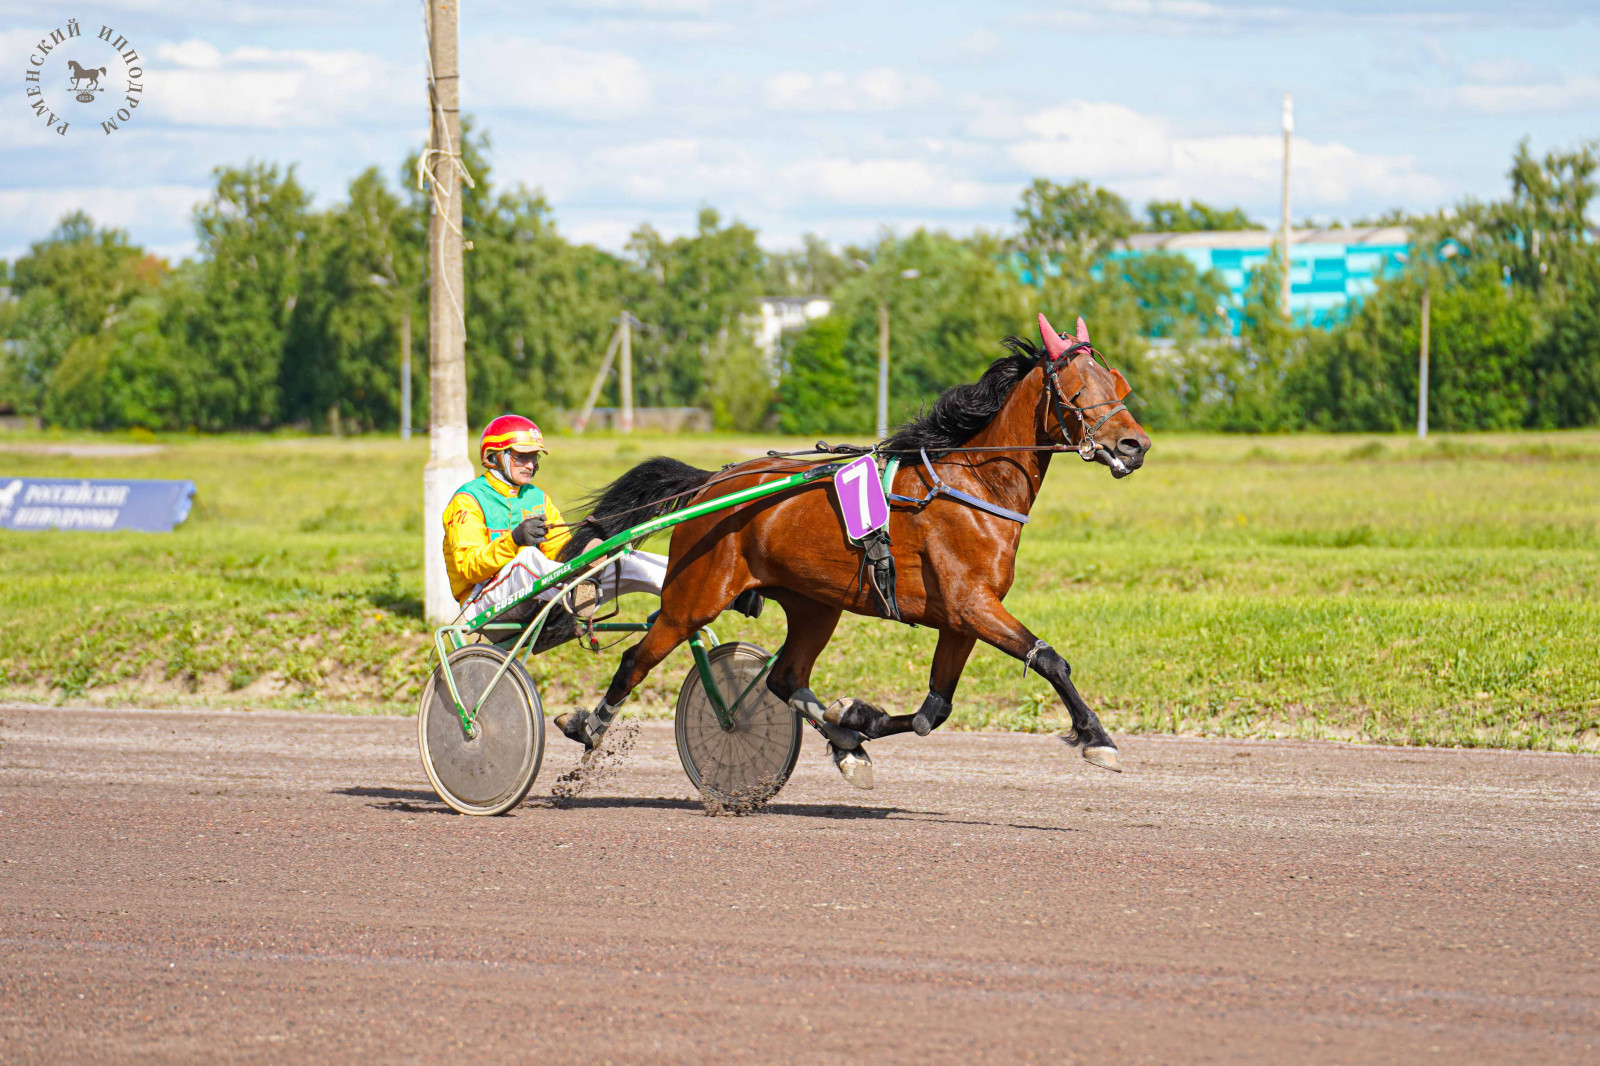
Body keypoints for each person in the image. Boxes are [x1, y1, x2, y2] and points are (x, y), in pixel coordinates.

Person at [442, 414, 667, 625]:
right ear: (494, 457)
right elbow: (469, 568)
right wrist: (514, 541)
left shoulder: (537, 498)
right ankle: (574, 590)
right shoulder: (468, 500)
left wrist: (592, 548)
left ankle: (679, 586)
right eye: (522, 456)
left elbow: (560, 554)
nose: (530, 465)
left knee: (621, 557)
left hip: (536, 596)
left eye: (533, 457)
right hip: (480, 603)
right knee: (526, 558)